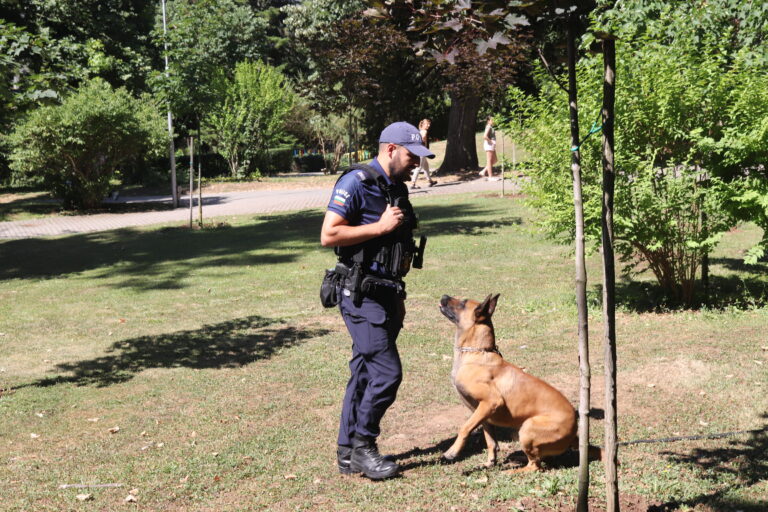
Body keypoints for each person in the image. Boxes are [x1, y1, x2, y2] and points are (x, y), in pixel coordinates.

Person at [320, 121, 434, 480]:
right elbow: (329, 233)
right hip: (360, 293)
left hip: (387, 292)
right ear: (389, 150)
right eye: (410, 155)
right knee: (387, 373)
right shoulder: (356, 182)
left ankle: (346, 452)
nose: (416, 162)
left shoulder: (395, 187)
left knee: (365, 371)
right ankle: (364, 447)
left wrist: (398, 292)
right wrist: (380, 227)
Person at [410, 119, 436, 189]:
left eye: (429, 124)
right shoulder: (424, 131)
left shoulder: (419, 131)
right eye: (427, 124)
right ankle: (413, 183)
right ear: (423, 124)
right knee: (419, 167)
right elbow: (423, 138)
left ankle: (430, 181)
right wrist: (423, 144)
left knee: (426, 167)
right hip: (422, 151)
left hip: (420, 151)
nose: (429, 125)